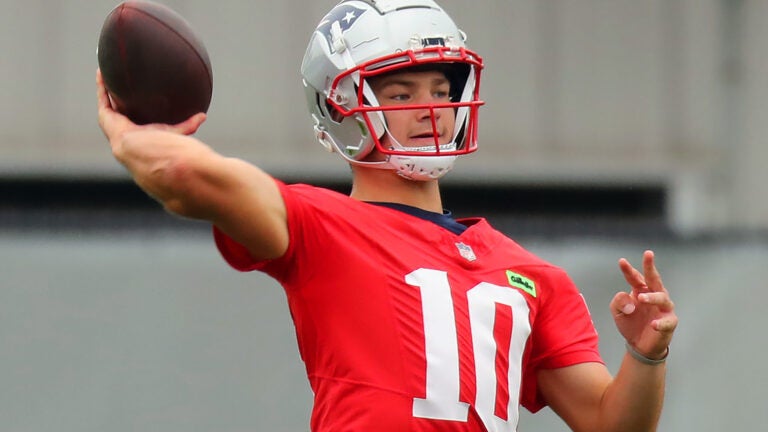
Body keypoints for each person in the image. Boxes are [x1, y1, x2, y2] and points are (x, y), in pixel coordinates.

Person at [96, 0, 678, 431]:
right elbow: (184, 175)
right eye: (401, 95)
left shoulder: (531, 275)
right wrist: (126, 136)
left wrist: (645, 354)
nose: (432, 110)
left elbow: (611, 426)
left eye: (441, 90)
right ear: (342, 108)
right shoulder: (319, 225)